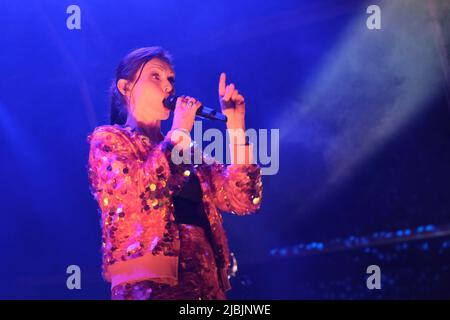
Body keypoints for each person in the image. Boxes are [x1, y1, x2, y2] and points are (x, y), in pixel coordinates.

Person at [87, 46, 263, 300]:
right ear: (126, 88)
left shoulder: (187, 151)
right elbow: (144, 193)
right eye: (156, 76)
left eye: (171, 79)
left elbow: (244, 199)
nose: (169, 86)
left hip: (207, 286)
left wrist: (236, 127)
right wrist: (179, 131)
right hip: (149, 288)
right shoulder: (109, 140)